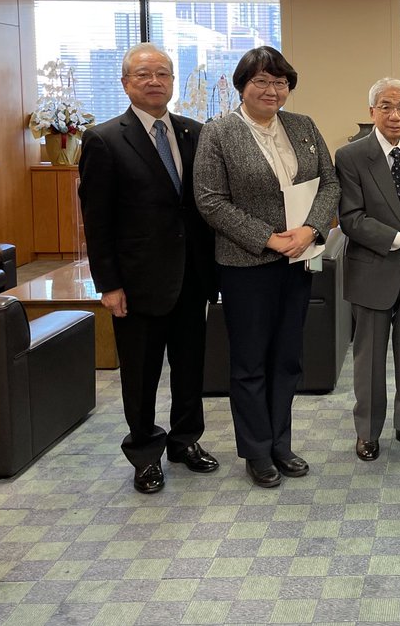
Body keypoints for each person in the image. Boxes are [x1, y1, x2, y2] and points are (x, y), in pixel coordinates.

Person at [193, 46, 339, 488]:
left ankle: (280, 442)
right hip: (246, 265)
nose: (271, 90)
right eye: (261, 81)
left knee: (287, 358)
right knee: (250, 361)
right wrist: (268, 238)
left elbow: (329, 184)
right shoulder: (218, 133)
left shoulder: (303, 126)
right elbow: (210, 201)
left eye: (280, 82)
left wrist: (312, 229)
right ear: (242, 85)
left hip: (298, 260)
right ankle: (256, 450)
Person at [78, 42, 219, 495]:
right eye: (143, 74)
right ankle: (144, 454)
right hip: (137, 281)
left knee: (189, 367)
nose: (154, 81)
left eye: (162, 74)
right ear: (125, 83)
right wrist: (109, 284)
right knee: (141, 375)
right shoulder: (103, 139)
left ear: (172, 82)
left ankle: (185, 441)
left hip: (192, 276)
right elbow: (97, 221)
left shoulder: (194, 132)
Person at [335, 78, 400, 461]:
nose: (395, 115)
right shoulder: (351, 156)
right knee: (370, 359)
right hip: (372, 269)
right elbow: (351, 218)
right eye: (387, 107)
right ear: (372, 111)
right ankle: (368, 432)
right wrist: (399, 238)